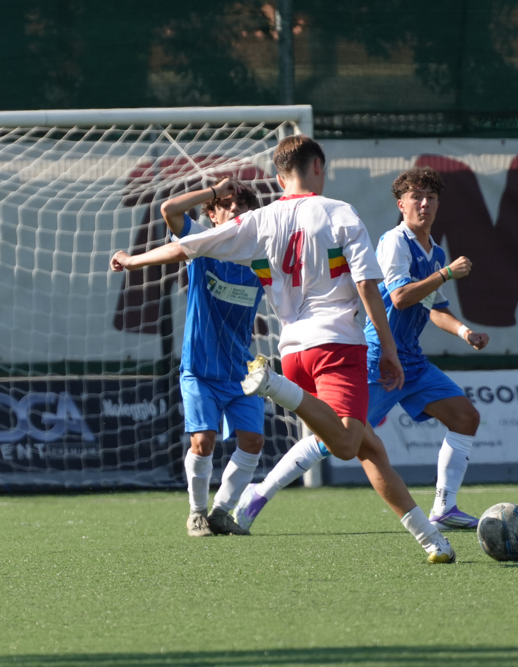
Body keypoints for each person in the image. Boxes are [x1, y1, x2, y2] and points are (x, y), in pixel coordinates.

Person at [111, 137, 456, 564]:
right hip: (336, 345)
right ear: (319, 167)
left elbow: (186, 247)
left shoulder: (259, 219)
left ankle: (432, 540)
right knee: (347, 444)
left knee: (370, 448)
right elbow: (368, 285)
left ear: (278, 178)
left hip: (293, 351)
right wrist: (388, 346)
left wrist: (133, 261)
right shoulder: (340, 212)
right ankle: (274, 388)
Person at [233, 166, 489, 532]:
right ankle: (258, 493)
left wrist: (465, 332)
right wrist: (446, 273)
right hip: (377, 359)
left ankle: (444, 508)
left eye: (431, 198)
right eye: (416, 197)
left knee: (465, 417)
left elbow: (435, 307)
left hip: (412, 362)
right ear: (401, 204)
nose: (424, 204)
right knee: (333, 439)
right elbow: (400, 297)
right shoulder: (395, 242)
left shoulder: (434, 252)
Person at [159, 178, 266, 537]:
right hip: (200, 369)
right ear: (213, 215)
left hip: (239, 371)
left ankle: (221, 512)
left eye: (242, 207)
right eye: (227, 206)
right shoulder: (203, 246)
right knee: (203, 441)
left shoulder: (259, 258)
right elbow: (169, 210)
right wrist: (214, 191)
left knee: (253, 441)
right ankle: (196, 512)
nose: (235, 211)